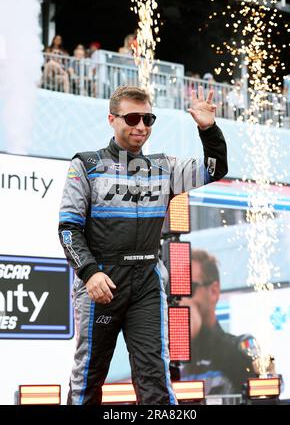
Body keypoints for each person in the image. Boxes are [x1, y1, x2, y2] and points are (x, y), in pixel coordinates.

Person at [58, 85, 228, 405]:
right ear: (112, 119)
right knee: (88, 378)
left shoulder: (164, 167)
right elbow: (68, 229)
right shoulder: (85, 165)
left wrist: (208, 129)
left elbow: (215, 169)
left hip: (147, 280)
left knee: (155, 376)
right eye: (133, 117)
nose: (141, 126)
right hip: (102, 282)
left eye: (148, 118)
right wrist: (89, 272)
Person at [180, 250, 263, 394]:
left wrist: (200, 331)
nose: (180, 299)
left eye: (188, 288)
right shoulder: (165, 357)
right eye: (174, 290)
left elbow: (260, 391)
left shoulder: (239, 348)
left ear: (213, 291)